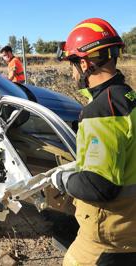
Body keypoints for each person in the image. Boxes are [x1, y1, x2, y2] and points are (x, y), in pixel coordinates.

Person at [52, 18, 136, 265]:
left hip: (110, 236)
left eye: (72, 64)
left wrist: (63, 179)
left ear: (85, 62)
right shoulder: (127, 97)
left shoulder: (101, 111)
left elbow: (99, 186)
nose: (71, 71)